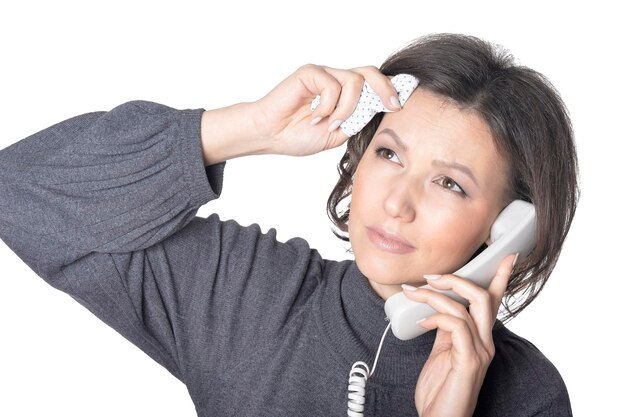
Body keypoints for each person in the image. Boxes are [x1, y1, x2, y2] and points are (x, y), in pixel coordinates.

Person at [0, 33, 578, 416]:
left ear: (508, 226)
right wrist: (250, 129)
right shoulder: (248, 293)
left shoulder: (530, 396)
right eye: (389, 155)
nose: (397, 203)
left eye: (449, 183)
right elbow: (19, 189)